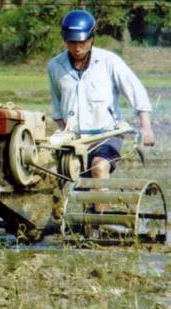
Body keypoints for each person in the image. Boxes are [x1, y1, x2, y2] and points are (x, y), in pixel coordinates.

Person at [47, 9, 155, 181]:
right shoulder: (55, 66)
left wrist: (146, 127)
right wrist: (63, 131)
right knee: (70, 178)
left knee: (98, 167)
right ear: (65, 40)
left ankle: (100, 209)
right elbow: (57, 105)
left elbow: (136, 90)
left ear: (91, 39)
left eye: (82, 42)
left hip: (106, 134)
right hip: (75, 138)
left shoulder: (108, 62)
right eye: (72, 42)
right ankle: (91, 207)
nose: (77, 48)